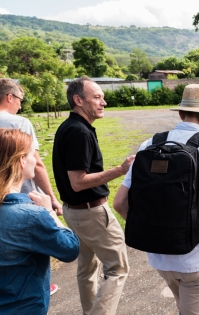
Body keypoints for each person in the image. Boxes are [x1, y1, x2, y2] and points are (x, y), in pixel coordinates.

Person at [113, 84, 199, 315]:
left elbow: (119, 203)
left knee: (183, 306)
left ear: (181, 113)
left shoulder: (150, 145)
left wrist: (152, 230)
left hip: (159, 258)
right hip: (198, 258)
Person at [52, 76, 135, 315]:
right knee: (118, 269)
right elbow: (78, 183)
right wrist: (121, 170)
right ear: (78, 100)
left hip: (74, 213)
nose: (103, 102)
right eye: (97, 97)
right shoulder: (79, 132)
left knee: (87, 269)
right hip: (91, 213)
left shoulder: (70, 126)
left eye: (102, 97)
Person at [0, 128, 79, 314]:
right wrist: (49, 212)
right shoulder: (31, 216)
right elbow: (70, 249)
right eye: (32, 155)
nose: (35, 160)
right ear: (21, 161)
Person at [0, 78, 63, 296]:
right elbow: (37, 164)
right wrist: (51, 199)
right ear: (9, 97)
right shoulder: (19, 123)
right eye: (19, 99)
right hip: (21, 196)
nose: (20, 104)